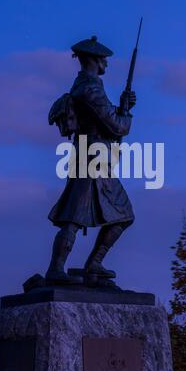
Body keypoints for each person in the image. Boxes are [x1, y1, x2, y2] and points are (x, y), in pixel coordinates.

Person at [46, 36, 136, 284]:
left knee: (119, 214)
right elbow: (117, 127)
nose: (106, 62)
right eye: (103, 58)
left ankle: (93, 264)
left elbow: (106, 123)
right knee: (75, 215)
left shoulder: (89, 86)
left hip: (94, 156)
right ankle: (58, 269)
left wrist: (121, 106)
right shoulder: (90, 89)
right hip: (92, 158)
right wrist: (125, 114)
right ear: (94, 60)